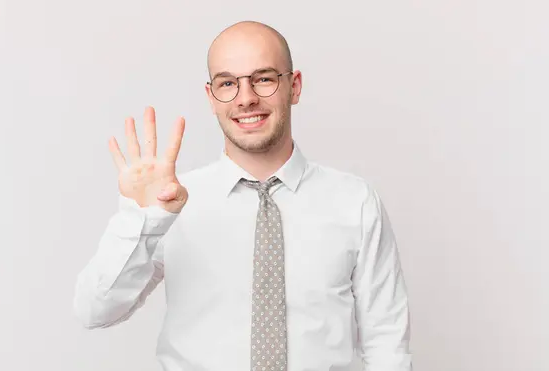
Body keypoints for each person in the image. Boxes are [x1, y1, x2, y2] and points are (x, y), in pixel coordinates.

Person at [73, 20, 412, 371]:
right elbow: (94, 311)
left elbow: (386, 341)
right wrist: (144, 219)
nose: (246, 98)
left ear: (294, 86)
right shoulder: (173, 204)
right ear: (211, 97)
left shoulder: (354, 202)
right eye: (228, 83)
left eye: (263, 78)